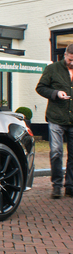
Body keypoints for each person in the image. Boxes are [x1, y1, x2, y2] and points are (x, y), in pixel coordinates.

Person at [36, 43, 73, 199]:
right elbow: (40, 87)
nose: (72, 63)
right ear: (65, 55)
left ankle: (70, 186)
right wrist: (56, 93)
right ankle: (56, 185)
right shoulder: (52, 69)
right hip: (56, 117)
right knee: (56, 152)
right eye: (70, 59)